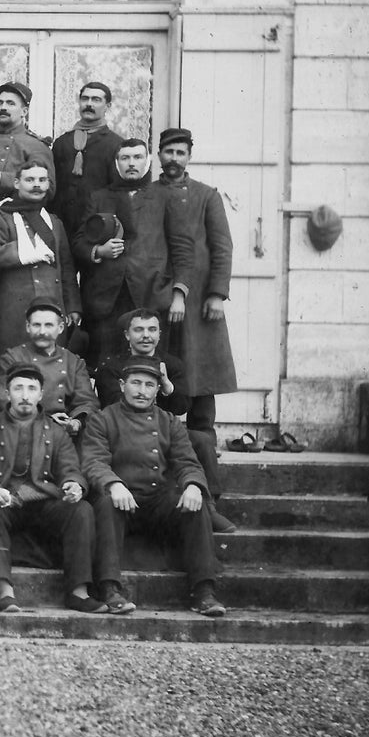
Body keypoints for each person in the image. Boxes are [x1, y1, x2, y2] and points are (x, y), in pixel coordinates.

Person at [85, 355, 225, 617]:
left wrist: (193, 485)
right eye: (135, 383)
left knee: (195, 506)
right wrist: (113, 483)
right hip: (121, 498)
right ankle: (109, 588)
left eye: (149, 385)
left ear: (158, 390)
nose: (141, 391)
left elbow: (187, 462)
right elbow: (94, 461)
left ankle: (203, 591)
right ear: (122, 385)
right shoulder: (102, 419)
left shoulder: (169, 421)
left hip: (157, 497)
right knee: (104, 502)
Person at [0, 363, 106, 614]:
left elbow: (70, 468)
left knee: (81, 510)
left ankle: (78, 592)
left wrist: (74, 484)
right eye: (18, 388)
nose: (25, 395)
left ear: (41, 394)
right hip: (6, 501)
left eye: (31, 389)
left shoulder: (55, 430)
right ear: (7, 393)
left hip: (44, 501)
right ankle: (4, 591)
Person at [154, 127, 238, 513]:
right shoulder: (150, 194)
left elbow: (222, 245)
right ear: (158, 155)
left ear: (189, 156)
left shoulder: (206, 196)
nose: (173, 159)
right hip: (158, 295)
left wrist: (217, 293)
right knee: (163, 372)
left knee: (201, 379)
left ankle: (206, 460)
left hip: (200, 299)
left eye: (180, 152)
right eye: (168, 152)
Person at [93, 308, 232, 534]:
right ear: (127, 335)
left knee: (202, 441)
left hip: (164, 433)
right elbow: (113, 403)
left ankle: (209, 506)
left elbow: (181, 407)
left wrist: (167, 386)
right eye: (138, 330)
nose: (146, 336)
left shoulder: (173, 364)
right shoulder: (111, 366)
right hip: (127, 435)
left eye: (151, 330)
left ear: (159, 334)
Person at [71, 138, 194, 371]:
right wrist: (99, 251)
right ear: (117, 163)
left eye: (137, 157)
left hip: (151, 295)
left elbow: (183, 250)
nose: (131, 163)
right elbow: (78, 242)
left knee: (149, 367)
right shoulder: (99, 197)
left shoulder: (166, 196)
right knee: (106, 368)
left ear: (148, 161)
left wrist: (179, 295)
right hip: (106, 299)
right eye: (125, 158)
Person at [0, 158, 81, 363]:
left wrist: (72, 307)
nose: (37, 184)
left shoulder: (54, 222)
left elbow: (66, 268)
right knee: (11, 365)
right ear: (17, 183)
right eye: (30, 180)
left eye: (42, 180)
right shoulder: (1, 218)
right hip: (14, 310)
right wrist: (28, 252)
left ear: (48, 185)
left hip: (52, 308)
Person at [0, 299, 100, 441]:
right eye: (36, 325)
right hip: (23, 433)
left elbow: (86, 401)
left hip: (65, 435)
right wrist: (48, 420)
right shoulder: (12, 358)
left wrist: (75, 422)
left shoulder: (73, 361)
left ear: (61, 328)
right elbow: (7, 401)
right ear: (28, 327)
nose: (42, 332)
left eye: (49, 325)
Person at [0, 81, 56, 230]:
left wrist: (5, 180)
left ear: (24, 111)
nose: (3, 107)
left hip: (16, 229)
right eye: (0, 103)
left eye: (11, 103)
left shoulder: (36, 146)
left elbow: (49, 190)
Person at [52, 81, 124, 232]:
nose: (89, 104)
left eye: (96, 100)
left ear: (107, 106)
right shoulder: (62, 143)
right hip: (61, 225)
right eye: (85, 99)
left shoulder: (116, 145)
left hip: (97, 225)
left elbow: (118, 191)